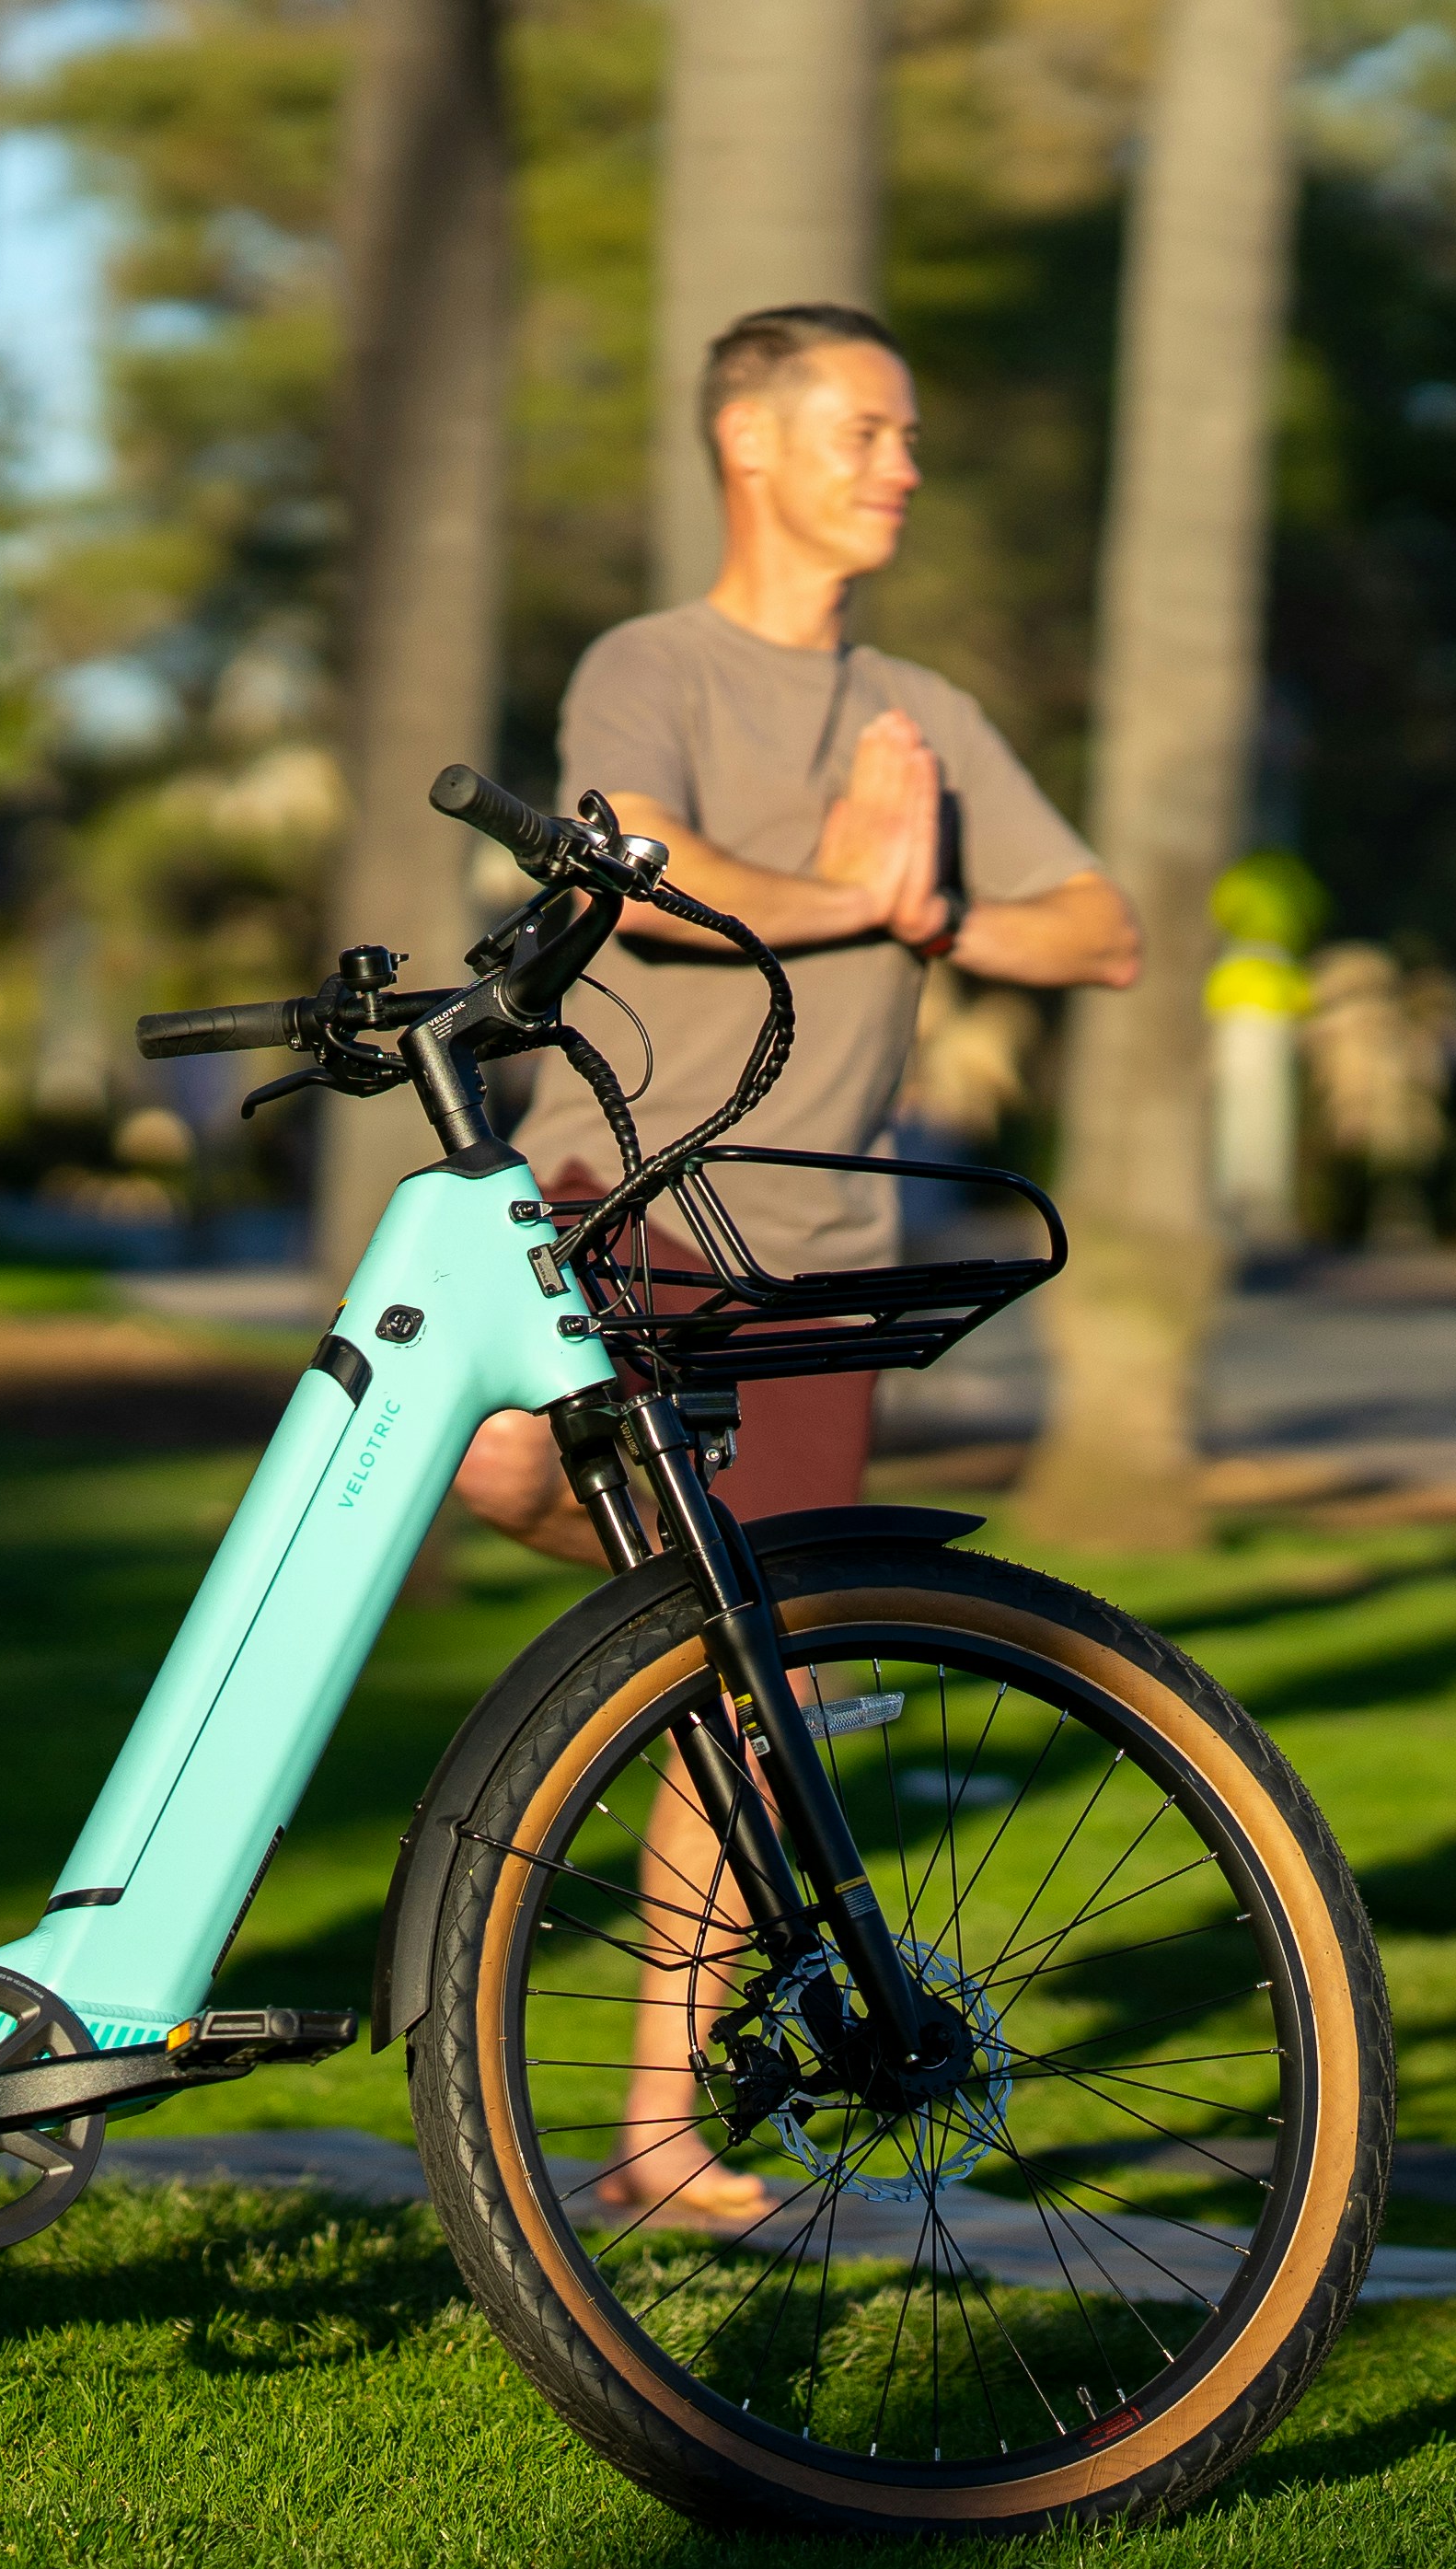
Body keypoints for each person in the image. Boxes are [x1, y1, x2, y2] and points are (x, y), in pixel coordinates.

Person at [450, 302, 1138, 2223]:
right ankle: (715, 1604)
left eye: (909, 435)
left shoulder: (926, 709)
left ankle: (664, 2136)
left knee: (740, 1696)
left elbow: (1102, 928)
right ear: (753, 444)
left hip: (816, 1243)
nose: (902, 465)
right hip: (621, 1185)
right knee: (501, 1460)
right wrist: (854, 888)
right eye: (867, 430)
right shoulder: (650, 664)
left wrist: (943, 900)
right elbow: (633, 870)